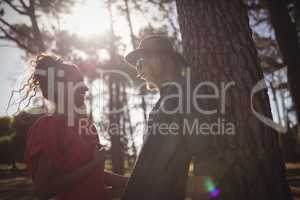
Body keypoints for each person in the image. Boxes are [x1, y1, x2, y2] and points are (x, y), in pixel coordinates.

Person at [121, 35, 218, 200]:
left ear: (159, 59)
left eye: (140, 62)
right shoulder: (167, 96)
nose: (138, 69)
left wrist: (202, 196)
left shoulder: (185, 90)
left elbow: (204, 153)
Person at [21, 54, 127, 200]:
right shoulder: (47, 128)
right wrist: (93, 164)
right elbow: (44, 190)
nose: (86, 88)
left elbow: (95, 176)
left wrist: (130, 182)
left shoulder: (87, 126)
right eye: (78, 82)